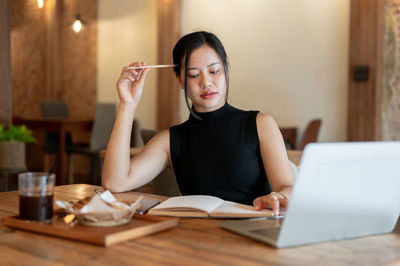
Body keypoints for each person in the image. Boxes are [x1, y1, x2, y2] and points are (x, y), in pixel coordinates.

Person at [102, 31, 294, 216]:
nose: (206, 82)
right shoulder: (169, 141)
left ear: (225, 70)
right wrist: (128, 105)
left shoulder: (260, 124)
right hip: (197, 238)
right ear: (179, 79)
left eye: (214, 71)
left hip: (254, 233)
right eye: (194, 75)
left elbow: (288, 187)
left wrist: (278, 197)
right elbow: (115, 182)